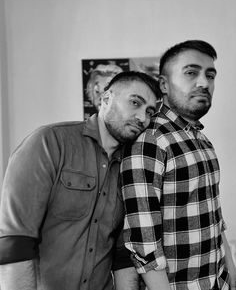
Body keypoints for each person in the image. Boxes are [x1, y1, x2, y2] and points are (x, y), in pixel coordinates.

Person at [0, 71, 162, 290]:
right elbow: (15, 242)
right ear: (106, 98)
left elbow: (122, 254)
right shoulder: (49, 143)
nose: (143, 118)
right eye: (135, 103)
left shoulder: (132, 166)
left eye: (149, 111)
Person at [117, 40, 236, 290]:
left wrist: (231, 267)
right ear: (164, 84)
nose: (204, 82)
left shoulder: (200, 138)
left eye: (210, 75)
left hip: (217, 281)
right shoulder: (150, 140)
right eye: (191, 73)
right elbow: (144, 242)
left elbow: (213, 213)